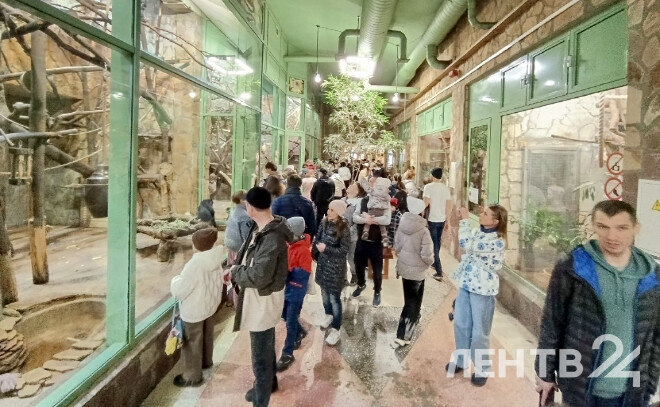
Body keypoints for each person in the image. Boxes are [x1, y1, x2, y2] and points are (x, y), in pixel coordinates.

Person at [535, 200, 660, 407]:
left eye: (621, 228)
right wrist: (544, 373)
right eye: (603, 226)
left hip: (632, 392)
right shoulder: (572, 267)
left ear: (636, 228)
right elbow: (552, 323)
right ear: (593, 226)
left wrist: (650, 382)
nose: (612, 236)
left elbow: (656, 335)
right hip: (580, 388)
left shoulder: (653, 275)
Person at [223, 187, 293, 406]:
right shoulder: (260, 226)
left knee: (260, 359)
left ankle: (261, 398)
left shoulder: (272, 237)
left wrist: (235, 272)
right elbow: (248, 257)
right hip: (260, 298)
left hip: (263, 301)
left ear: (250, 207)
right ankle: (269, 384)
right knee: (266, 346)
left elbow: (259, 276)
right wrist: (233, 269)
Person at [446, 204, 508, 387]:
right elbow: (466, 243)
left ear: (495, 221)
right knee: (460, 324)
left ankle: (482, 368)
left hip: (483, 290)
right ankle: (461, 360)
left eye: (486, 214)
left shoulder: (498, 241)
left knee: (480, 332)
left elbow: (467, 244)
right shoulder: (478, 232)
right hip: (466, 284)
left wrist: (465, 219)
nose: (481, 215)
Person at [170, 228, 224, 387]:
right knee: (207, 335)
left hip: (194, 310)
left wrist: (175, 280)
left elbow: (180, 291)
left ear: (196, 245)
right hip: (209, 306)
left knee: (192, 341)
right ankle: (206, 362)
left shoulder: (194, 265)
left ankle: (192, 376)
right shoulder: (215, 258)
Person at [392, 197, 433, 348]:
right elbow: (427, 255)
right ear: (422, 212)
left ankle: (415, 318)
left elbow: (396, 246)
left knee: (410, 299)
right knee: (412, 302)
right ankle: (403, 335)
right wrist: (430, 262)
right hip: (418, 271)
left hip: (404, 268)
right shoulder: (423, 231)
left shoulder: (402, 225)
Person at [276, 217, 312, 372]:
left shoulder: (303, 250)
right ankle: (300, 332)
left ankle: (288, 353)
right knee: (284, 315)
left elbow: (305, 273)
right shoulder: (289, 244)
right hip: (287, 289)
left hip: (296, 291)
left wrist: (288, 271)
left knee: (290, 322)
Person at [313, 200, 350, 346]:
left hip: (335, 269)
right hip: (323, 265)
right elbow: (318, 238)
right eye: (329, 209)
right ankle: (328, 315)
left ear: (339, 213)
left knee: (334, 298)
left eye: (332, 210)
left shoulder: (344, 228)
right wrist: (315, 250)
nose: (328, 211)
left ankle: (336, 328)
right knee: (324, 294)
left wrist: (326, 249)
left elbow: (344, 250)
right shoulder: (324, 223)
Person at [352, 176, 392, 307]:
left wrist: (372, 220)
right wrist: (365, 220)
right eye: (371, 183)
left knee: (377, 269)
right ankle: (361, 284)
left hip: (376, 242)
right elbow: (355, 217)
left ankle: (377, 292)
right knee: (358, 264)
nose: (373, 185)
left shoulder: (385, 202)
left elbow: (387, 220)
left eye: (375, 183)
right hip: (362, 240)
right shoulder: (363, 201)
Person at [423, 168, 452, 281]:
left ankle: (439, 271)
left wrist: (420, 214)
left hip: (433, 218)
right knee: (437, 242)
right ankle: (435, 263)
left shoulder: (428, 187)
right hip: (442, 219)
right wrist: (448, 221)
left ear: (432, 175)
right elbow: (449, 206)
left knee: (434, 244)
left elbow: (425, 203)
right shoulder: (445, 188)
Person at [272, 174, 317, 238]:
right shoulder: (307, 203)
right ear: (300, 185)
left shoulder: (277, 201)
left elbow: (272, 222)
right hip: (300, 238)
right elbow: (312, 227)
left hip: (281, 238)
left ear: (287, 184)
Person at [345, 182, 367, 286]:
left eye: (352, 186)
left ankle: (355, 274)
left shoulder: (360, 203)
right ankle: (343, 278)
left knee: (351, 256)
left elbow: (358, 222)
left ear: (358, 191)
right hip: (340, 233)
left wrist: (349, 231)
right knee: (342, 257)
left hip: (352, 235)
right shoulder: (344, 200)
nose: (349, 186)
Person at [360, 176, 392, 247]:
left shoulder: (373, 190)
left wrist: (363, 181)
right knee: (382, 225)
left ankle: (365, 232)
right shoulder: (386, 193)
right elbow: (389, 199)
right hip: (381, 210)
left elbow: (367, 188)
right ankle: (384, 236)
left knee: (368, 221)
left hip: (373, 209)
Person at [224, 190, 253, 265]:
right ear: (242, 201)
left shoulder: (233, 212)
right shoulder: (245, 216)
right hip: (238, 248)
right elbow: (246, 238)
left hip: (230, 245)